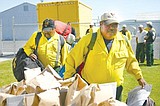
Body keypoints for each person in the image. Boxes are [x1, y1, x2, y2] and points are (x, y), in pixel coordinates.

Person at [63, 12, 147, 101]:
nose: (112, 28)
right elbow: (72, 58)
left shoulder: (123, 40)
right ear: (101, 24)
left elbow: (131, 61)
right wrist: (69, 78)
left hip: (115, 90)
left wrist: (139, 77)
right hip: (92, 88)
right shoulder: (89, 39)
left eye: (115, 25)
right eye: (108, 25)